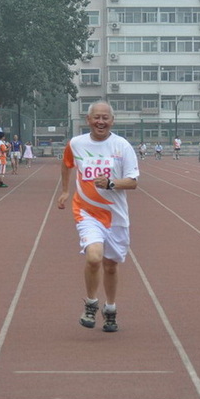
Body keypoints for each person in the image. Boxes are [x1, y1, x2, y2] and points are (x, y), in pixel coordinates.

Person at [57, 101, 139, 333]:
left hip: (115, 215)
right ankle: (91, 303)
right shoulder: (76, 143)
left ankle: (110, 309)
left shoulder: (122, 146)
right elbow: (66, 164)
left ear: (112, 121)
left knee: (111, 266)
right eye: (96, 117)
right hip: (86, 211)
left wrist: (112, 183)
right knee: (94, 257)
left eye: (105, 118)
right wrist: (65, 190)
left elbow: (133, 182)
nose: (100, 122)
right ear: (88, 120)